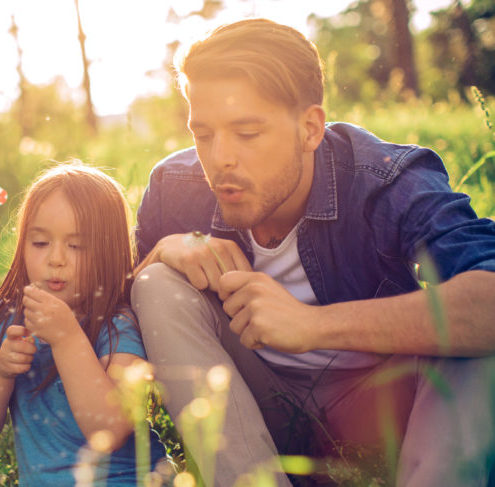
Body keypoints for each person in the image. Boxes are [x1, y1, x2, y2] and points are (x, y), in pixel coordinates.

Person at [131, 17, 495, 487]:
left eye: (247, 133)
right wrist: (160, 251)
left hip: (387, 407)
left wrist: (312, 327)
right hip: (259, 408)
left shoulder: (385, 179)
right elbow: (116, 323)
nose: (220, 158)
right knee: (155, 282)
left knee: (475, 335)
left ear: (309, 128)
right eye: (203, 135)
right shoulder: (175, 187)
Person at [0, 162, 167, 486]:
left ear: (109, 251)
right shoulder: (7, 319)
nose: (56, 258)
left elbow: (109, 430)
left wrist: (67, 338)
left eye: (76, 245)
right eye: (40, 243)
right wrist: (0, 371)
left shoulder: (117, 326)